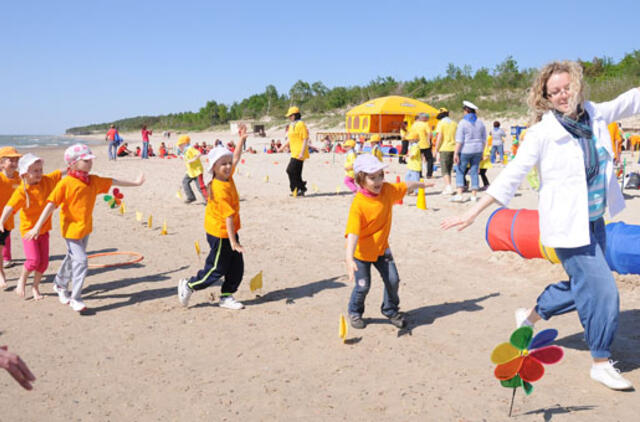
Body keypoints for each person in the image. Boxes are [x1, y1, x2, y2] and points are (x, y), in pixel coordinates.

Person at [442, 61, 640, 391]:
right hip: (566, 228)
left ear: (576, 85)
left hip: (596, 222)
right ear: (546, 98)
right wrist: (473, 213)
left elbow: (633, 99)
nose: (563, 95)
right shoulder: (541, 133)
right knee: (603, 289)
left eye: (566, 88)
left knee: (583, 284)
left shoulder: (595, 113)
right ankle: (601, 361)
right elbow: (512, 175)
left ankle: (530, 316)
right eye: (555, 92)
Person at [25, 144, 145, 312]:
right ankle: (76, 297)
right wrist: (37, 226)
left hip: (85, 229)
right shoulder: (65, 183)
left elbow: (113, 181)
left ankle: (59, 284)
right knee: (81, 261)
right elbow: (51, 205)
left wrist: (136, 183)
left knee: (71, 257)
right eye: (85, 160)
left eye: (90, 160)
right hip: (71, 231)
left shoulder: (93, 180)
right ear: (73, 163)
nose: (90, 163)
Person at [345, 154, 433, 330]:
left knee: (393, 280)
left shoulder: (386, 190)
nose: (378, 181)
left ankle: (390, 309)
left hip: (382, 249)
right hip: (361, 254)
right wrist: (349, 258)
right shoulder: (359, 204)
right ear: (361, 180)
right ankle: (355, 312)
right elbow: (353, 233)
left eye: (380, 175)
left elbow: (404, 186)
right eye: (372, 177)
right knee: (363, 286)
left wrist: (420, 184)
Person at [178, 126, 249, 310]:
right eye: (222, 164)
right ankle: (189, 285)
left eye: (228, 163)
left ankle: (226, 296)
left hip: (230, 232)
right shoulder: (218, 188)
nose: (227, 166)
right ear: (214, 168)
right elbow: (228, 217)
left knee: (237, 267)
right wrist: (233, 242)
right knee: (216, 269)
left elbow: (236, 158)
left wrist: (241, 139)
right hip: (220, 233)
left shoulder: (227, 176)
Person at [0, 154, 65, 299]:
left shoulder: (47, 180)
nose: (39, 173)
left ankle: (35, 287)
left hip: (44, 230)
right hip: (29, 231)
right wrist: (1, 221)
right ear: (25, 174)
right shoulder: (22, 190)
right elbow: (9, 207)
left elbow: (62, 172)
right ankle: (22, 280)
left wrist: (75, 165)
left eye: (40, 169)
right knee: (33, 260)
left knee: (43, 263)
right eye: (35, 171)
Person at [451, 100, 486, 203]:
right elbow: (484, 139)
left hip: (465, 150)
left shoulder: (462, 123)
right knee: (474, 171)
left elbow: (459, 140)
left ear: (466, 110)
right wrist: (482, 151)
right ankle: (474, 195)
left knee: (460, 171)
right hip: (478, 149)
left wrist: (455, 153)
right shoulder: (480, 122)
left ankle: (459, 194)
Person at [0, 146, 21, 279]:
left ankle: (7, 258)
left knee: (6, 235)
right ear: (1, 163)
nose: (14, 163)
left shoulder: (18, 177)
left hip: (9, 214)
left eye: (16, 160)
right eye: (10, 160)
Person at [279, 107, 309, 196]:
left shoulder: (301, 124)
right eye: (289, 116)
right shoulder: (291, 125)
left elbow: (305, 138)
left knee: (290, 170)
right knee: (296, 172)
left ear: (295, 115)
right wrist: (282, 147)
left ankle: (297, 188)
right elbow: (290, 139)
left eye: (291, 115)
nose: (289, 117)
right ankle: (300, 189)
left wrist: (302, 152)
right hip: (294, 151)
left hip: (300, 152)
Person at [433, 107, 458, 195]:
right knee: (449, 168)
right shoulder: (454, 123)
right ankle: (448, 186)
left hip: (444, 148)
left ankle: (448, 187)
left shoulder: (441, 123)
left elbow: (439, 137)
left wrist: (435, 149)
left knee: (444, 170)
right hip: (454, 148)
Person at [177, 135, 207, 204]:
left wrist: (193, 159)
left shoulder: (190, 149)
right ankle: (191, 197)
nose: (179, 146)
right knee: (185, 182)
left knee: (200, 186)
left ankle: (207, 199)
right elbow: (187, 162)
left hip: (197, 171)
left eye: (180, 145)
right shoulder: (185, 151)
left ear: (185, 144)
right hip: (190, 172)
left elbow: (199, 153)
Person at [411, 113, 434, 178]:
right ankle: (429, 174)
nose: (428, 119)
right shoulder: (425, 124)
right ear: (423, 118)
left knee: (418, 160)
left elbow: (411, 134)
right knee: (430, 159)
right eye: (427, 117)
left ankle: (419, 174)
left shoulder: (414, 124)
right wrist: (429, 141)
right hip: (425, 144)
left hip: (416, 144)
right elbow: (430, 133)